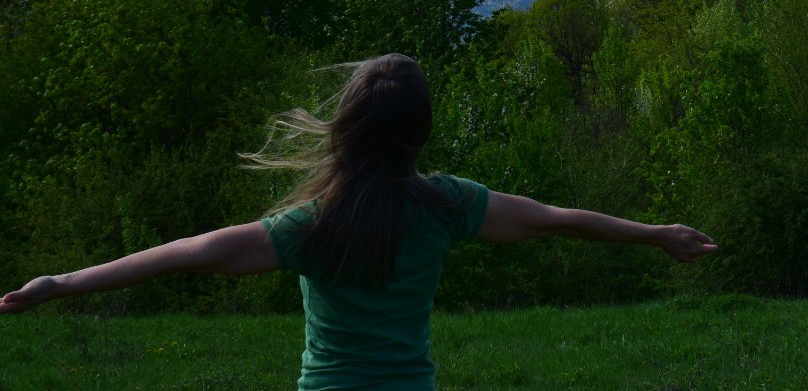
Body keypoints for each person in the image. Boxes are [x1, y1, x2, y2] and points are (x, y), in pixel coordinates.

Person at [0, 53, 716, 388]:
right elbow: (558, 221)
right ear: (420, 133)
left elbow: (188, 253)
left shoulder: (312, 225)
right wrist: (654, 234)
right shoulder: (448, 206)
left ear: (345, 126)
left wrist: (62, 283)